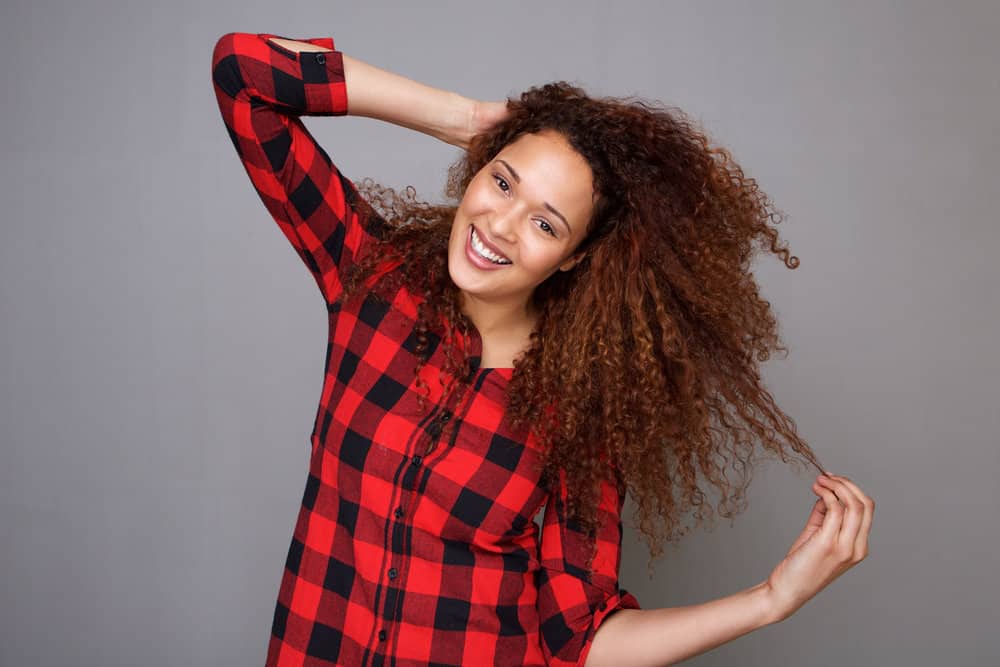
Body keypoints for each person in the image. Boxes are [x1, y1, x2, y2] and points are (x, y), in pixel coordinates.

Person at [210, 30, 874, 667]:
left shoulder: (576, 414)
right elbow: (244, 73)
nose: (499, 225)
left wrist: (768, 601)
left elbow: (578, 641)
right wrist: (470, 118)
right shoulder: (373, 283)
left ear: (574, 257)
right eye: (502, 181)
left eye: (545, 222)